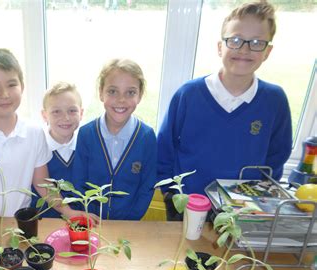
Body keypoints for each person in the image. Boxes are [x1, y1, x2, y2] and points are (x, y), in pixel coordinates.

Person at [156, 1, 292, 219]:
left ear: (267, 51)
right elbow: (165, 148)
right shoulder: (189, 94)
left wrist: (260, 203)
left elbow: (276, 159)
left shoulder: (274, 100)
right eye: (235, 40)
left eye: (257, 42)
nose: (244, 50)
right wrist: (172, 195)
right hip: (188, 207)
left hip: (242, 213)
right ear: (220, 46)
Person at [0, 48, 81, 247]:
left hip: (22, 226)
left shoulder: (35, 133)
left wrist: (67, 211)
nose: (4, 94)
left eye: (12, 84)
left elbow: (42, 183)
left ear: (22, 86)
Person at [72, 58, 157, 220]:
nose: (121, 100)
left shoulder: (146, 136)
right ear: (101, 92)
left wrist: (132, 220)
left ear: (140, 95)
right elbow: (79, 181)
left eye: (130, 92)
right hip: (91, 222)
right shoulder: (86, 134)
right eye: (112, 91)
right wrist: (88, 215)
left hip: (129, 225)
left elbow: (147, 187)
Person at [30, 82, 83, 218]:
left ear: (81, 113)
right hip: (43, 220)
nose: (65, 118)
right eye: (56, 111)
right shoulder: (36, 145)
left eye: (72, 111)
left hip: (80, 219)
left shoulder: (86, 145)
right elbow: (41, 184)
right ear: (44, 115)